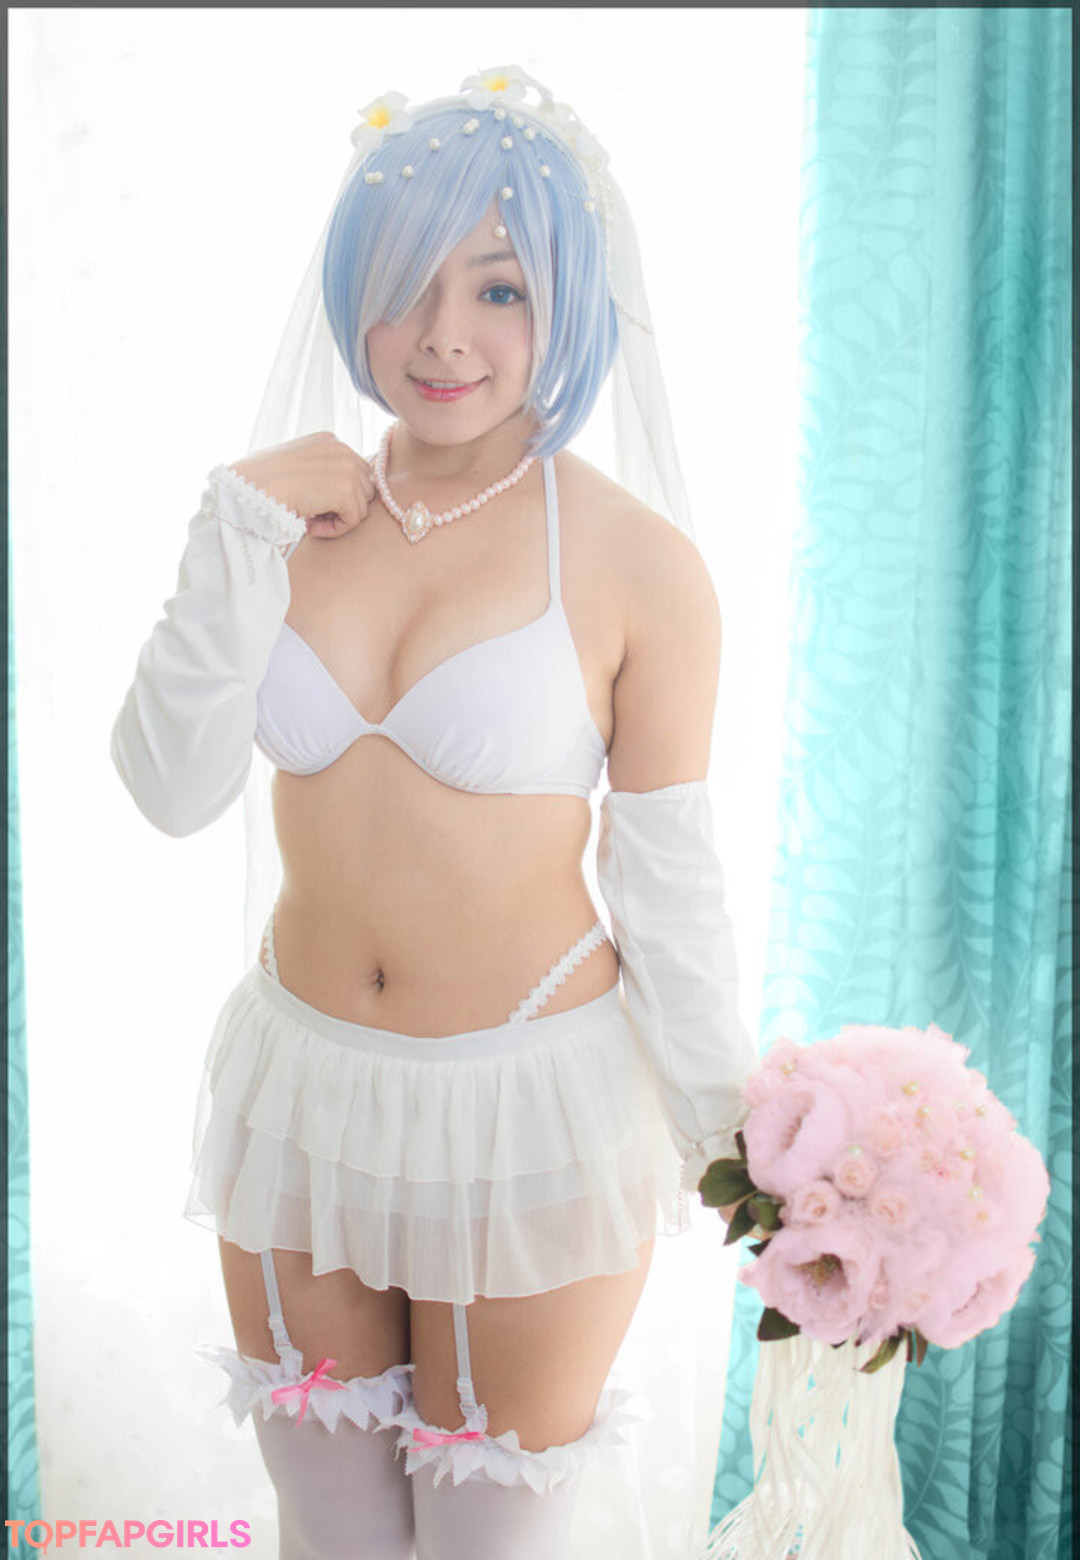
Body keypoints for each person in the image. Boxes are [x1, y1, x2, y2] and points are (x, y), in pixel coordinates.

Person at [112, 66, 758, 1560]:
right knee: (331, 1533)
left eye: (500, 288)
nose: (444, 335)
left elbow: (668, 884)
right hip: (303, 1086)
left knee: (483, 1546)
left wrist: (738, 1140)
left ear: (568, 303)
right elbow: (169, 788)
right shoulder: (283, 520)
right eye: (406, 286)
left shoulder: (638, 565)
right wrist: (232, 531)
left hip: (527, 1107)